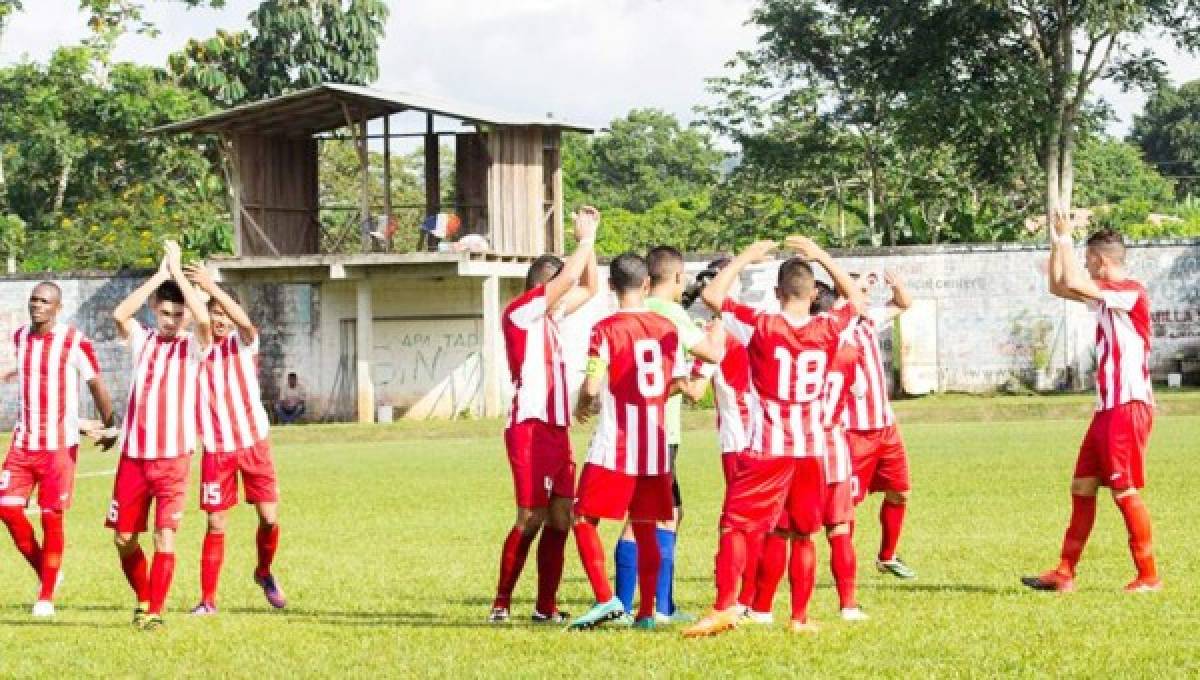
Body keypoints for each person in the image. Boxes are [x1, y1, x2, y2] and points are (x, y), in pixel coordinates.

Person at [684, 236, 865, 638]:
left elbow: (713, 295)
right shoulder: (828, 327)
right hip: (811, 449)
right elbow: (856, 301)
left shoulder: (760, 324)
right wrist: (821, 255)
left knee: (736, 525)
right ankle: (799, 618)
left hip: (768, 446)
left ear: (777, 291)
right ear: (814, 292)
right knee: (802, 535)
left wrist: (747, 256)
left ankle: (724, 607)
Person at [567, 253, 724, 631]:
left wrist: (584, 403)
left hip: (616, 442)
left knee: (583, 518)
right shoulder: (667, 327)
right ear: (648, 286)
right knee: (647, 524)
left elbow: (592, 384)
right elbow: (684, 385)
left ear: (610, 287)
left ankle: (607, 599)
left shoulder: (604, 329)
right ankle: (647, 613)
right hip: (655, 443)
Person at [1022, 221, 1159, 593]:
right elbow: (1058, 285)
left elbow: (1077, 282)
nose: (1084, 265)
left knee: (1124, 490)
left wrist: (1066, 238)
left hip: (1128, 406)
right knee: (1082, 485)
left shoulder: (1129, 291)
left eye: (1086, 259)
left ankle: (1148, 577)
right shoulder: (1106, 296)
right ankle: (1064, 573)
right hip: (1107, 410)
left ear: (1099, 261)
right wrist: (1056, 243)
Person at [487, 207, 601, 624]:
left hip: (556, 429)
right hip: (529, 428)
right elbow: (572, 280)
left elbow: (589, 285)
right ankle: (501, 602)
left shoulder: (550, 316)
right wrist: (583, 239)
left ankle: (545, 607)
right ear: (542, 286)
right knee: (530, 516)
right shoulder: (520, 312)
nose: (563, 295)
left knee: (561, 517)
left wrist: (592, 241)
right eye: (556, 286)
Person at [743, 282, 868, 624]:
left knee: (780, 531)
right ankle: (847, 605)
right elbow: (858, 391)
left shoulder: (787, 338)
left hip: (791, 447)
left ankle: (762, 607)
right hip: (831, 452)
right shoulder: (844, 348)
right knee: (837, 529)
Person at [108, 240, 212, 630]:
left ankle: (154, 612)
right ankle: (144, 596)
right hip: (134, 456)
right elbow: (120, 313)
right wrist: (162, 274)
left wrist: (183, 277)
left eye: (177, 314)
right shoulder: (142, 340)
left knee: (163, 537)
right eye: (166, 313)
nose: (172, 320)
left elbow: (203, 322)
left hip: (173, 458)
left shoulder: (191, 346)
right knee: (123, 539)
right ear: (155, 310)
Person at [0, 281, 117, 617]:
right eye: (34, 300)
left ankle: (46, 597)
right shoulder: (21, 337)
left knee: (52, 517)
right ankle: (47, 572)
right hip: (23, 443)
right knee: (7, 509)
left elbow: (96, 384)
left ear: (57, 307)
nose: (37, 305)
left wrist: (109, 425)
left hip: (57, 449)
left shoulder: (73, 342)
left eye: (44, 301)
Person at [613, 245, 710, 624]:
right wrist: (714, 330)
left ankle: (653, 604)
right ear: (678, 277)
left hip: (633, 427)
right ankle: (638, 607)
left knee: (669, 513)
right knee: (653, 519)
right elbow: (708, 354)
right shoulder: (670, 313)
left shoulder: (634, 311)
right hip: (658, 431)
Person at [184, 265, 285, 615]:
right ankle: (208, 601)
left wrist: (214, 288)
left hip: (253, 443)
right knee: (215, 523)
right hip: (216, 449)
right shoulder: (197, 349)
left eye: (224, 313)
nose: (220, 320)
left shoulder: (243, 345)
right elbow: (194, 319)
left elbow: (245, 323)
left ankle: (263, 571)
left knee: (269, 519)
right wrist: (194, 291)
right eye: (215, 314)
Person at [844, 270, 916, 579]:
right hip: (853, 431)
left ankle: (887, 556)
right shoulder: (836, 326)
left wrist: (896, 282)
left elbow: (903, 303)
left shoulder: (869, 320)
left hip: (886, 427)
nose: (866, 287)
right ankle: (844, 567)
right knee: (845, 506)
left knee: (900, 491)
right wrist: (858, 287)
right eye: (856, 282)